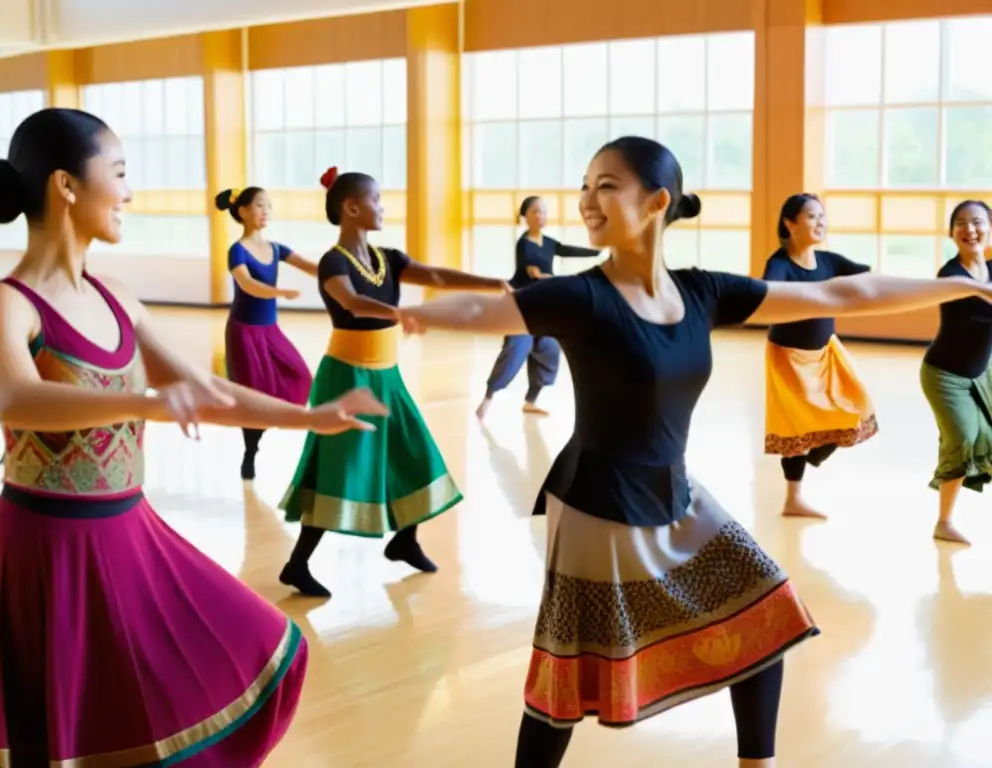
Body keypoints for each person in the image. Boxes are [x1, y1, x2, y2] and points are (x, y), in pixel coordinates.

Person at [396, 136, 992, 768]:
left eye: (606, 186)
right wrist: (412, 312)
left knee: (766, 616)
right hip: (598, 507)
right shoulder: (580, 297)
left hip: (675, 492)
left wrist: (963, 291)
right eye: (584, 187)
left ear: (657, 202)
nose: (586, 202)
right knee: (566, 683)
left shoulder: (704, 292)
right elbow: (493, 309)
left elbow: (841, 295)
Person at [0, 107, 389, 765]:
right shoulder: (5, 303)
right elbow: (18, 401)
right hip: (44, 545)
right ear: (66, 186)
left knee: (247, 648)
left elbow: (205, 392)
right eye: (120, 173)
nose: (131, 193)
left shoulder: (116, 298)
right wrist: (145, 398)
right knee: (59, 737)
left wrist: (310, 415)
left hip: (128, 529)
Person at [278, 166, 508, 599]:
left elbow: (437, 277)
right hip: (346, 376)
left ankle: (404, 539)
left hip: (388, 375)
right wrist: (400, 314)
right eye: (376, 200)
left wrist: (496, 284)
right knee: (341, 469)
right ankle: (297, 565)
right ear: (350, 207)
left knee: (415, 452)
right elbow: (351, 301)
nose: (383, 207)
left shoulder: (390, 259)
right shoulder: (333, 261)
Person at [762, 194, 876, 518]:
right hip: (789, 359)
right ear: (790, 223)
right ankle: (793, 498)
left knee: (858, 409)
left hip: (827, 353)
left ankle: (813, 457)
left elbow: (865, 275)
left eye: (822, 217)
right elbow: (769, 291)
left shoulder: (828, 261)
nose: (820, 223)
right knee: (796, 430)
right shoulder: (781, 263)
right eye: (812, 216)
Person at [215, 185, 319, 480]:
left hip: (269, 330)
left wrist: (343, 266)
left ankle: (287, 430)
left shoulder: (276, 249)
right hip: (244, 333)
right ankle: (250, 451)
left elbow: (313, 267)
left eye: (268, 206)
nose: (265, 211)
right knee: (251, 394)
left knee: (299, 375)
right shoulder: (237, 251)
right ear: (244, 211)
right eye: (259, 205)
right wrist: (280, 291)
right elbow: (247, 284)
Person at [475, 195, 600, 421]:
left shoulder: (549, 243)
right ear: (525, 217)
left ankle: (530, 401)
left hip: (544, 305)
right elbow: (533, 272)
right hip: (522, 305)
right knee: (516, 349)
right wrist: (551, 279)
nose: (541, 216)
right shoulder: (524, 244)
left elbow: (567, 250)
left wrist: (598, 251)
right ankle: (487, 399)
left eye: (544, 211)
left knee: (549, 350)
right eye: (536, 211)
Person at [920, 199, 992, 546]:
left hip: (981, 371)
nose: (970, 229)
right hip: (944, 375)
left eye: (977, 222)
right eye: (961, 223)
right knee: (962, 438)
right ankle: (944, 521)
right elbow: (975, 295)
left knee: (985, 438)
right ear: (952, 233)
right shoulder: (950, 275)